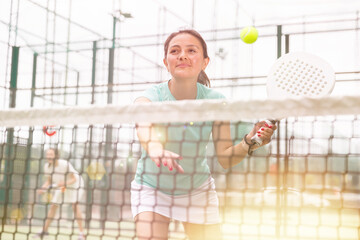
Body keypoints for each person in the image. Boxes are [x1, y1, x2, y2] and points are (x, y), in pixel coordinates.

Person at [131, 29, 276, 240]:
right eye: (175, 51)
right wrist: (155, 148)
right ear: (166, 62)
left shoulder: (216, 101)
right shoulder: (153, 95)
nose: (182, 55)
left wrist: (249, 141)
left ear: (205, 62)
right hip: (151, 189)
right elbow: (142, 119)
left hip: (197, 192)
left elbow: (225, 158)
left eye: (191, 50)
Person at [34, 148, 85, 240]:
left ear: (56, 156)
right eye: (47, 154)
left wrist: (64, 183)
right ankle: (44, 231)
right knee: (53, 206)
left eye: (51, 154)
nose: (49, 156)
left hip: (76, 185)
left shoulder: (65, 164)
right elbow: (49, 181)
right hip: (62, 186)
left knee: (75, 205)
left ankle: (82, 234)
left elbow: (74, 179)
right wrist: (43, 188)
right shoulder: (47, 167)